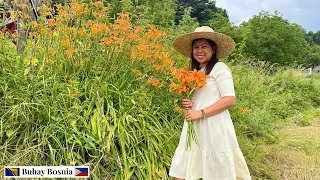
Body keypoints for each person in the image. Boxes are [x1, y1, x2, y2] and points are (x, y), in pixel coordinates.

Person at [169, 26, 251, 180]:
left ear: (213, 49)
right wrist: (188, 103)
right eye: (196, 47)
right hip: (194, 125)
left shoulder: (220, 68)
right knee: (183, 171)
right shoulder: (196, 71)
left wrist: (200, 113)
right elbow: (201, 98)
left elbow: (230, 99)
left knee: (215, 172)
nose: (199, 50)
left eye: (204, 46)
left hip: (213, 125)